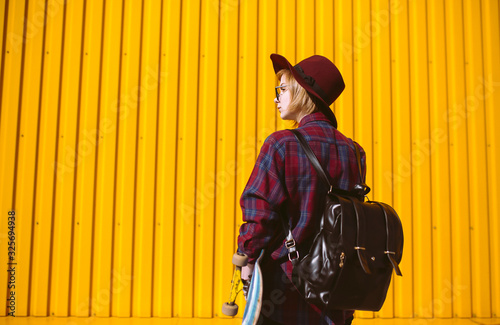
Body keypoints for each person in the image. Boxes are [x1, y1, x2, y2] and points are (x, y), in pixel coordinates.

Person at [237, 54, 367, 325]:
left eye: (282, 89)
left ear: (301, 93)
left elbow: (260, 214)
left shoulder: (281, 144)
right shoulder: (354, 152)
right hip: (336, 292)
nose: (276, 98)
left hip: (285, 290)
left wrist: (246, 259)